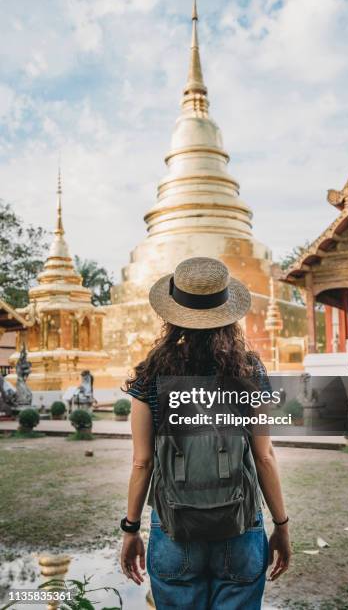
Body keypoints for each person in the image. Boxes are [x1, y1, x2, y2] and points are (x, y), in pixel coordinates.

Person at [120, 257, 291, 609]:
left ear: (172, 314)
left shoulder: (151, 374)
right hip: (240, 528)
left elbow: (142, 462)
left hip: (174, 529)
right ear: (228, 313)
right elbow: (263, 455)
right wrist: (282, 525)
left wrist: (131, 528)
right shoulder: (248, 368)